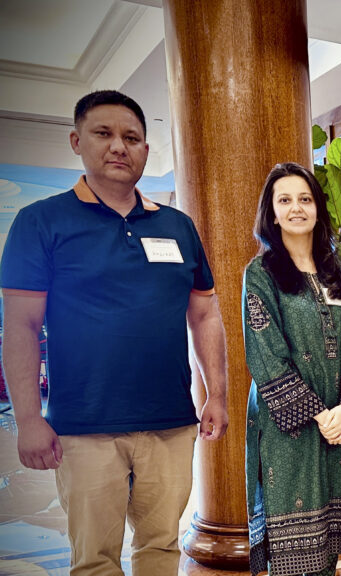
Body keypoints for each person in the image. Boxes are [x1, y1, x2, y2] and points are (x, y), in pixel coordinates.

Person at [0, 90, 229, 576]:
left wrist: (217, 394)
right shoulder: (40, 222)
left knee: (161, 549)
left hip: (170, 422)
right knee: (95, 561)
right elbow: (21, 325)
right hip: (84, 426)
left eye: (132, 137)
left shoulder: (178, 226)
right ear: (77, 141)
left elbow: (205, 314)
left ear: (146, 148)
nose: (119, 146)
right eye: (103, 133)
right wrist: (28, 419)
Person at [242, 162, 341, 576]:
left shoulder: (340, 273)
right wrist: (319, 415)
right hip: (290, 431)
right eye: (285, 200)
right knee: (292, 555)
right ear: (272, 212)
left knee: (328, 549)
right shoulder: (261, 275)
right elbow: (266, 355)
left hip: (340, 426)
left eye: (305, 199)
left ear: (318, 208)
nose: (296, 208)